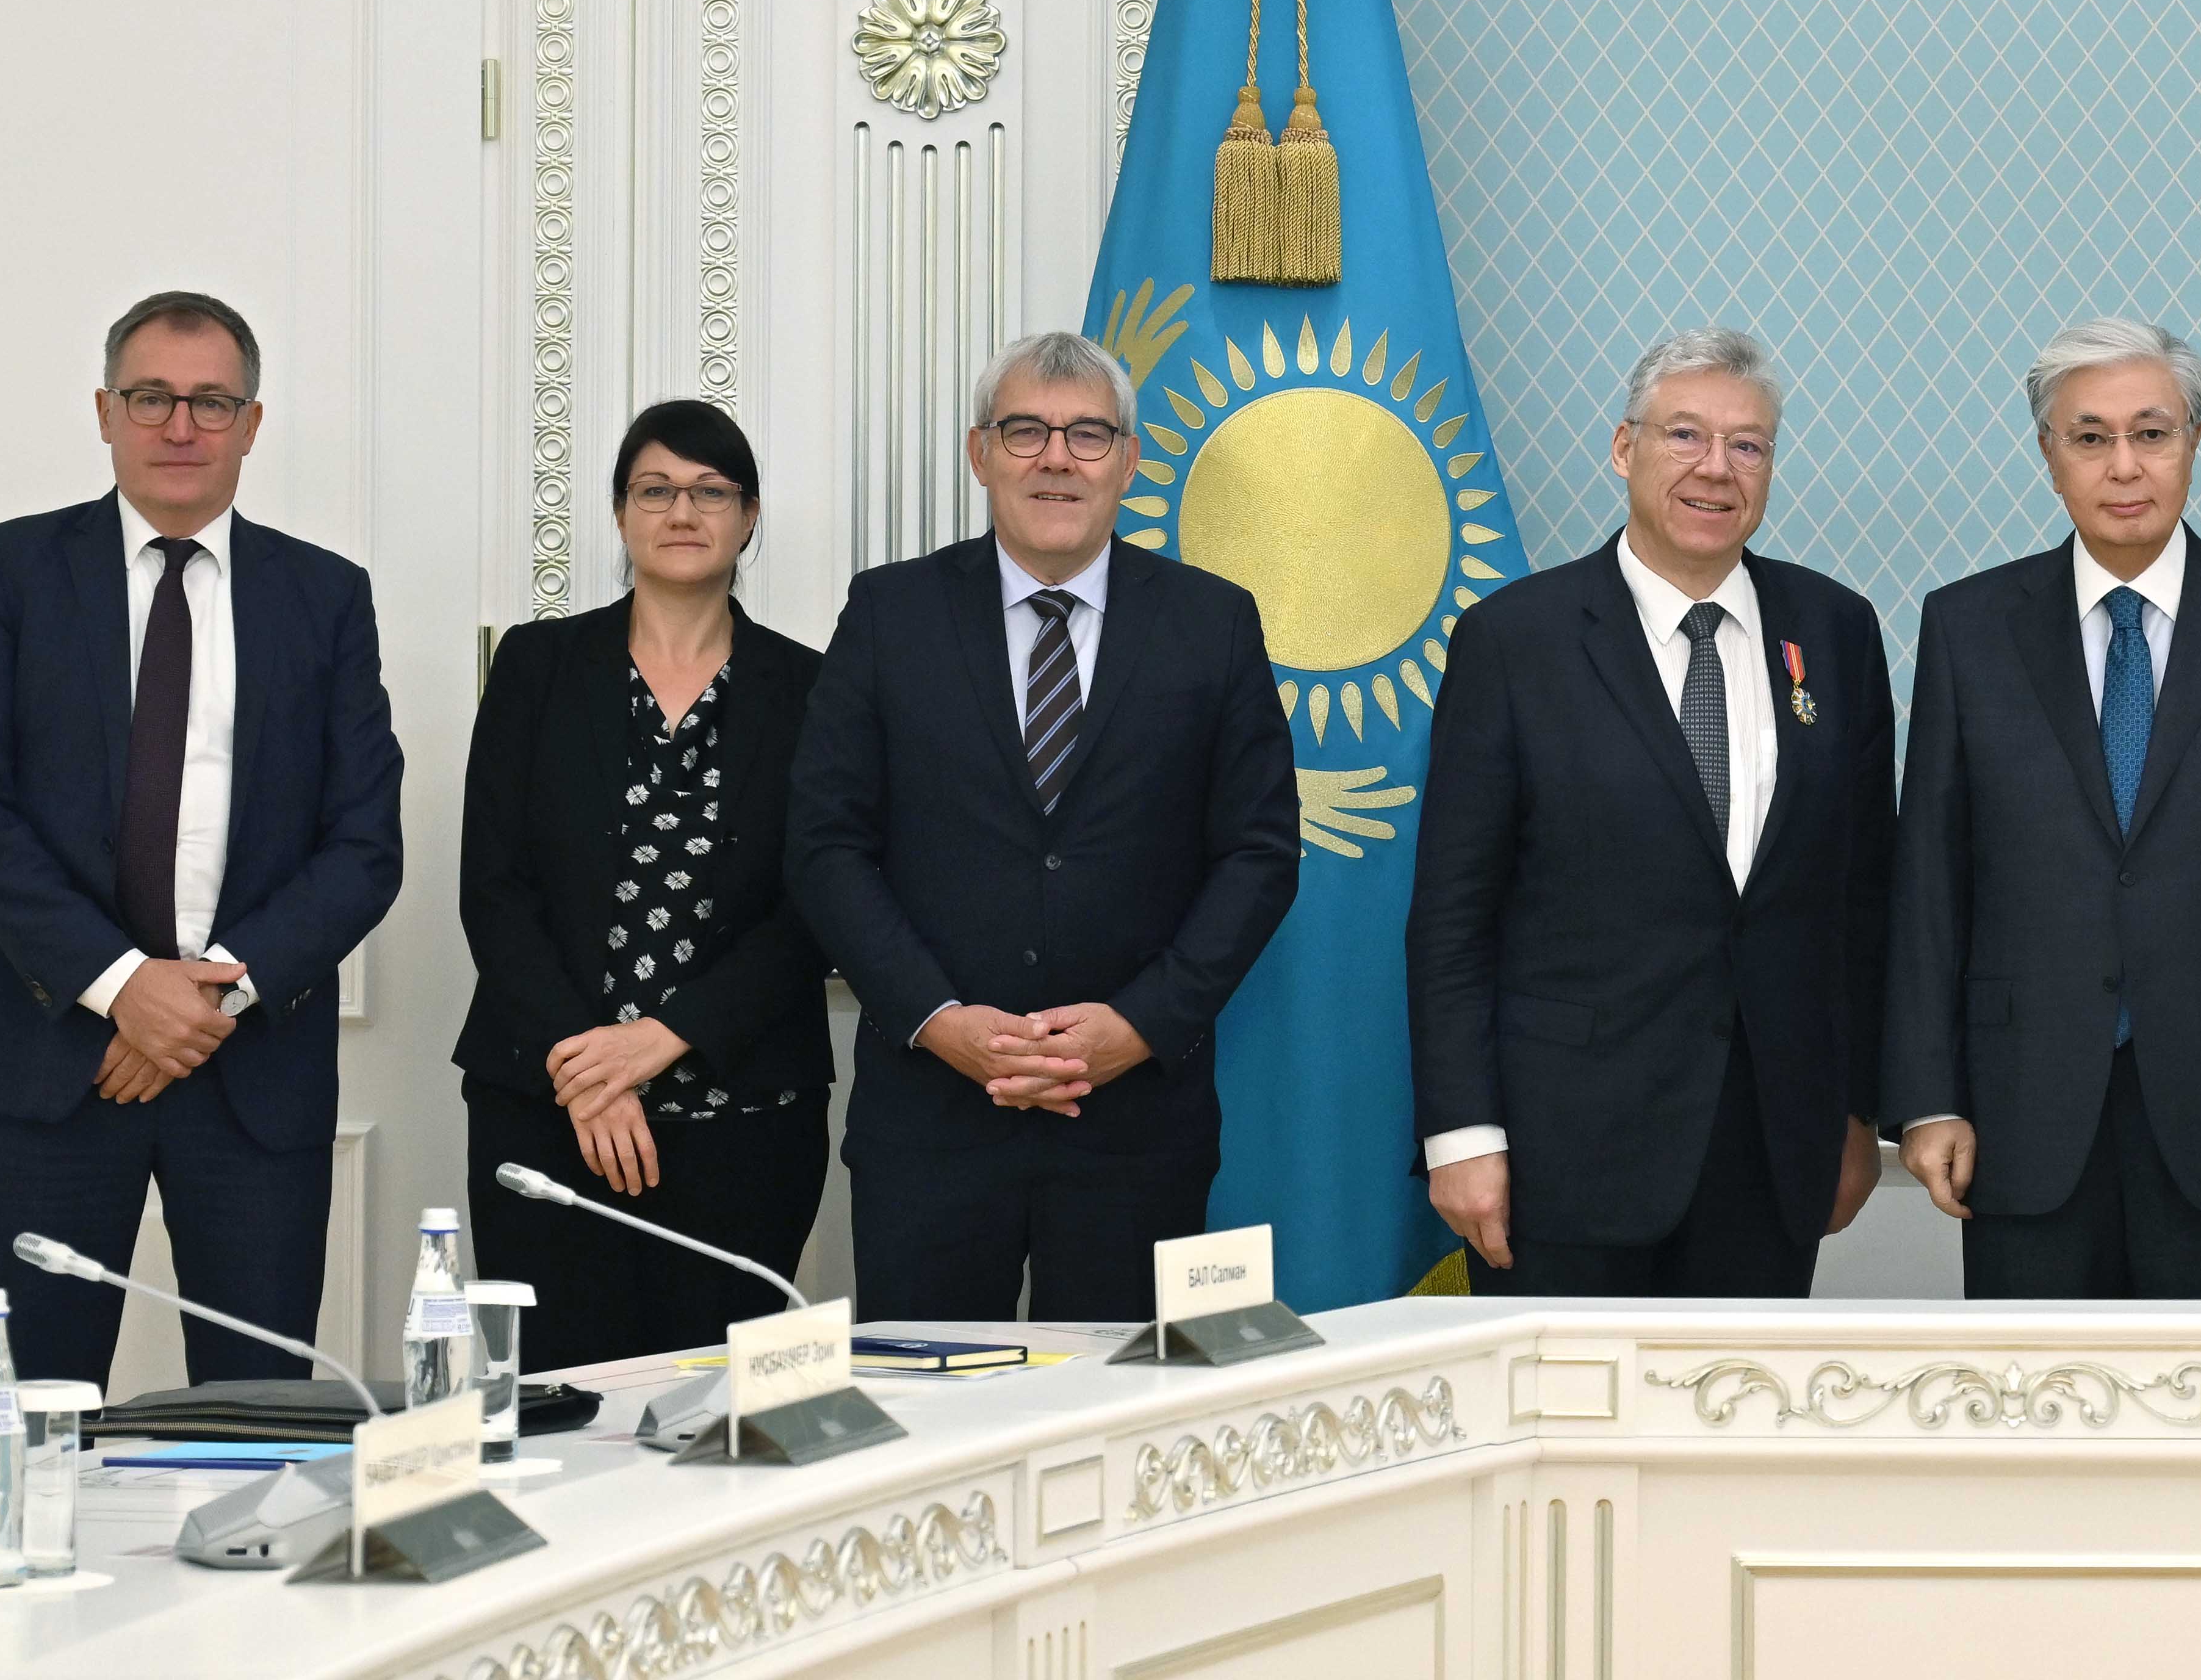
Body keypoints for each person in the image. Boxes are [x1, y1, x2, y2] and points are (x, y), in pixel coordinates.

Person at [0, 292, 403, 1383]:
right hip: (52, 1060)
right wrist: (123, 988)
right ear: (105, 411)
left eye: (211, 402)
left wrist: (202, 1004)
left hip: (251, 1075)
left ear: (252, 423)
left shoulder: (326, 596)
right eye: (151, 398)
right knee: (41, 1411)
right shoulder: (8, 571)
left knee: (253, 1416)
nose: (180, 426)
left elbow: (363, 844)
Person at [789, 330, 1300, 1321]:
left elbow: (1260, 853)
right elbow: (825, 844)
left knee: (1123, 1408)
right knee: (931, 1399)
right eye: (1025, 431)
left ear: (1129, 461)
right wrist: (940, 1021)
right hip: (932, 1117)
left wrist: (1139, 1026)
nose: (1056, 459)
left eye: (1087, 436)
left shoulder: (1213, 622)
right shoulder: (891, 612)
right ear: (980, 454)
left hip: (1135, 1126)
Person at [1884, 319, 2201, 1298]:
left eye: (2152, 434)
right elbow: (1930, 882)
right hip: (2023, 1114)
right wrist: (1926, 1098)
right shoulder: (1968, 626)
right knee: (2036, 1393)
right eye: (2090, 437)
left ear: (2193, 441)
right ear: (2049, 456)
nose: (2125, 466)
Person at [1408, 329, 1895, 1294]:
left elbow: (1864, 896)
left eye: (1748, 445)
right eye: (1685, 435)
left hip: (1772, 1152)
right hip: (1562, 1155)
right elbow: (1454, 916)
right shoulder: (1515, 640)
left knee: (1741, 1395)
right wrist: (1461, 1135)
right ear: (1625, 449)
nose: (1717, 468)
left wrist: (1857, 1113)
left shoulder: (1836, 630)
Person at [454, 400, 830, 1370]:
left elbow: (820, 903)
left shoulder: (813, 688)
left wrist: (662, 1039)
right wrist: (589, 1073)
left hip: (746, 1120)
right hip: (548, 1107)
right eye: (655, 490)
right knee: (558, 1401)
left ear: (750, 516)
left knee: (721, 1408)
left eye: (712, 491)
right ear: (620, 513)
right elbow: (493, 887)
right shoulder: (537, 665)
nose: (683, 512)